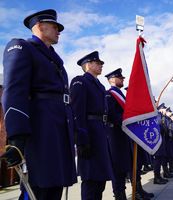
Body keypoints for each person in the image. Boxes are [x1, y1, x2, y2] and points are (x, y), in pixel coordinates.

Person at [1, 9, 77, 199]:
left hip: (57, 130)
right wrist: (17, 137)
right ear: (40, 26)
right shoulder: (21, 47)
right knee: (38, 188)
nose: (59, 31)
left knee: (54, 187)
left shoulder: (54, 58)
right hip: (40, 130)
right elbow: (14, 91)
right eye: (55, 26)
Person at [70, 51, 114, 200]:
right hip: (89, 134)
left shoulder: (100, 86)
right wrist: (81, 139)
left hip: (100, 133)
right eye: (98, 63)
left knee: (100, 179)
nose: (101, 65)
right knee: (90, 179)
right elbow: (77, 112)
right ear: (88, 65)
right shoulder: (80, 82)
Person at [105, 68, 153, 200]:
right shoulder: (109, 95)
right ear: (113, 79)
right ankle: (120, 196)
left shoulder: (120, 95)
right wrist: (127, 120)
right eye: (120, 78)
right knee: (118, 169)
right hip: (116, 136)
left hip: (126, 136)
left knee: (132, 165)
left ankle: (137, 191)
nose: (122, 80)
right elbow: (112, 114)